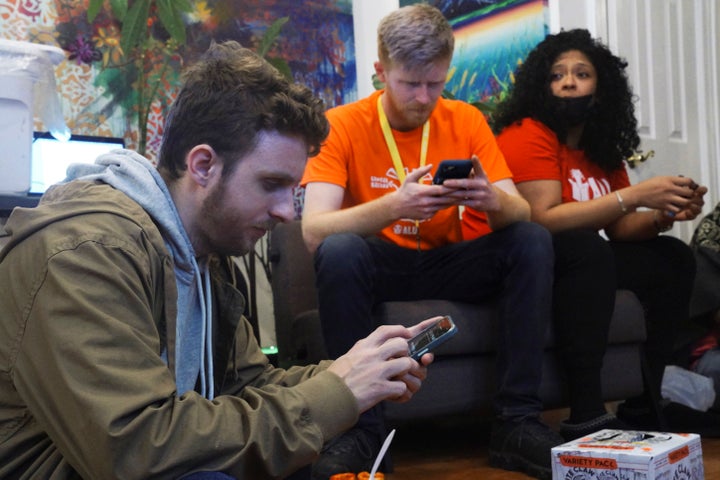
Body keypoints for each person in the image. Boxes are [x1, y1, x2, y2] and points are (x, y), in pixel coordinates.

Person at [0, 40, 441, 480]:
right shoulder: (86, 252)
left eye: (293, 190)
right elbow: (137, 449)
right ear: (204, 165)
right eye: (271, 183)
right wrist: (338, 392)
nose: (288, 212)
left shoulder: (208, 254)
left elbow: (246, 386)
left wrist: (358, 371)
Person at [301, 4, 563, 480]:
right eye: (409, 83)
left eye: (436, 83)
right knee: (339, 250)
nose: (424, 97)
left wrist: (490, 199)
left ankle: (517, 422)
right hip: (378, 264)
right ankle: (363, 433)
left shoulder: (464, 119)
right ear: (381, 71)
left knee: (529, 238)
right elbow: (314, 230)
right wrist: (392, 206)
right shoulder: (340, 124)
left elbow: (521, 210)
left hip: (447, 258)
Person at [462, 28, 707, 439]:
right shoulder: (527, 132)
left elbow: (621, 226)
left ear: (601, 86)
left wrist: (663, 214)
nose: (569, 82)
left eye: (581, 74)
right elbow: (540, 219)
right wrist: (634, 194)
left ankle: (645, 402)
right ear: (542, 86)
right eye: (557, 75)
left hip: (575, 259)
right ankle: (587, 410)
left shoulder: (600, 147)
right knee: (585, 247)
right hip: (511, 259)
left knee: (672, 257)